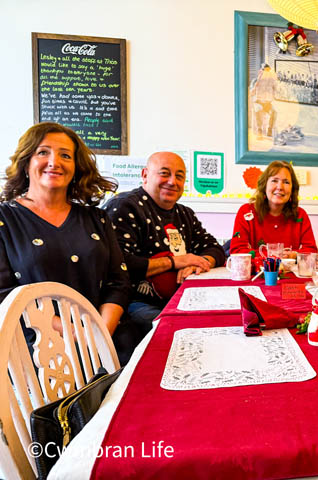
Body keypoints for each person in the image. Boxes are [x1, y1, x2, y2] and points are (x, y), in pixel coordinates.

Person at [0, 122, 137, 364]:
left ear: (76, 167)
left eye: (65, 155)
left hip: (107, 344)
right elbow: (3, 294)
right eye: (43, 152)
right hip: (36, 356)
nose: (54, 162)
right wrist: (71, 331)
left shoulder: (97, 218)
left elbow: (119, 282)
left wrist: (100, 332)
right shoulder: (5, 219)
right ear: (26, 161)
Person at [105, 152, 225, 333]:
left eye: (179, 176)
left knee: (220, 321)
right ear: (145, 175)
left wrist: (200, 263)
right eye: (164, 173)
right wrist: (175, 261)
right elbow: (118, 265)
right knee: (183, 331)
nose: (172, 181)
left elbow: (215, 248)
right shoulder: (124, 206)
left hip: (180, 298)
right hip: (131, 304)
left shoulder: (185, 213)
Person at [230, 160, 317, 257]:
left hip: (289, 271)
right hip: (257, 272)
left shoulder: (300, 214)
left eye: (286, 182)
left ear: (292, 189)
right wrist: (274, 255)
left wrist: (293, 255)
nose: (280, 187)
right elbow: (237, 251)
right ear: (264, 185)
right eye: (274, 180)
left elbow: (312, 251)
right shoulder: (246, 212)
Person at [252, 63, 278, 138]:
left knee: (274, 112)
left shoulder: (271, 81)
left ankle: (269, 129)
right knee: (258, 111)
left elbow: (275, 91)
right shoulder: (256, 80)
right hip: (258, 102)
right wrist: (257, 82)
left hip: (267, 103)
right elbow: (252, 92)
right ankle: (259, 130)